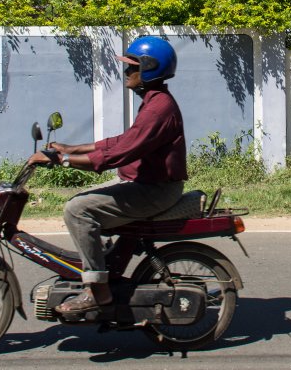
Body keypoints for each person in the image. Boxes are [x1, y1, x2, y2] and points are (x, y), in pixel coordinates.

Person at [26, 36, 187, 315]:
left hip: (154, 191)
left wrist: (63, 161)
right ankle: (102, 263)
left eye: (132, 67)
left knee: (77, 210)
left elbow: (119, 155)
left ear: (149, 69)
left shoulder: (159, 109)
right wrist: (70, 147)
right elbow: (121, 141)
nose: (126, 72)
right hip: (141, 183)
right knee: (83, 200)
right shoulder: (153, 102)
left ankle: (97, 290)